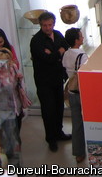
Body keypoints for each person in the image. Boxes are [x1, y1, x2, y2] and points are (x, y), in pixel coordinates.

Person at [29, 11, 70, 152]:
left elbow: (66, 46)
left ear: (54, 24)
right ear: (40, 25)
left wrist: (53, 53)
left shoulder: (57, 34)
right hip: (44, 82)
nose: (47, 28)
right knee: (48, 110)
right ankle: (51, 138)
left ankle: (59, 133)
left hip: (57, 78)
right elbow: (47, 59)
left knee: (59, 107)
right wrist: (58, 53)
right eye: (45, 25)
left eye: (50, 25)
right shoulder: (36, 41)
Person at [0, 47, 28, 165]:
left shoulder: (13, 69)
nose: (2, 65)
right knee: (8, 136)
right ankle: (11, 161)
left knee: (15, 134)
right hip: (4, 110)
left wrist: (18, 80)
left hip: (16, 107)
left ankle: (17, 161)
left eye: (5, 62)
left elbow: (18, 87)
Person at [62, 27, 88, 163]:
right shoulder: (82, 56)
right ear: (77, 40)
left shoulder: (66, 54)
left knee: (76, 123)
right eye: (81, 36)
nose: (83, 38)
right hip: (82, 92)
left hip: (71, 92)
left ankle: (78, 153)